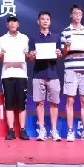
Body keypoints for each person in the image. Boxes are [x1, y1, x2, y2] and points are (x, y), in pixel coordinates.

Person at [60, 4, 84, 142]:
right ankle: (70, 131)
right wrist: (66, 47)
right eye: (75, 13)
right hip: (70, 69)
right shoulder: (65, 32)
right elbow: (63, 53)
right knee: (70, 100)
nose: (77, 16)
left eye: (80, 13)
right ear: (71, 15)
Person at [28, 10, 63, 142]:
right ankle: (41, 130)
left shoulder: (56, 37)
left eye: (47, 19)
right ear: (38, 21)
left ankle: (54, 130)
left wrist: (59, 54)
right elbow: (31, 57)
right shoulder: (33, 38)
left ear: (50, 22)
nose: (45, 21)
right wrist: (32, 55)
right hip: (38, 74)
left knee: (54, 103)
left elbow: (59, 55)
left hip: (53, 74)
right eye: (42, 19)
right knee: (40, 103)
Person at [0, 16, 30, 140]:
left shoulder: (24, 38)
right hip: (7, 74)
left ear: (18, 24)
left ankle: (22, 130)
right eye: (10, 22)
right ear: (7, 25)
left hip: (21, 74)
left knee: (22, 104)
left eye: (15, 22)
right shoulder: (2, 39)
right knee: (9, 103)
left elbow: (27, 55)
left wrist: (28, 54)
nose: (12, 24)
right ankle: (11, 130)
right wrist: (0, 56)